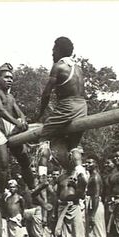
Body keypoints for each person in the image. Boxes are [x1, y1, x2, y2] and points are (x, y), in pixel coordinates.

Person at [36, 37, 87, 176]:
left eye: (53, 49)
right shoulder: (78, 68)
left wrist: (40, 114)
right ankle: (80, 172)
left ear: (59, 50)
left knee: (44, 136)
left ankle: (42, 175)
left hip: (68, 106)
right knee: (73, 145)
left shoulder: (58, 66)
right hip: (82, 107)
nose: (52, 53)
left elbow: (46, 93)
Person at [0, 63, 35, 207]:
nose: (9, 80)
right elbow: (0, 111)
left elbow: (20, 113)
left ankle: (33, 187)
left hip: (10, 125)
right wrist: (17, 123)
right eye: (6, 77)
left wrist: (23, 121)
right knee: (3, 162)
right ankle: (1, 195)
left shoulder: (11, 97)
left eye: (11, 78)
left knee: (24, 158)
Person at [54, 158, 87, 237]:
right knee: (61, 234)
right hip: (62, 207)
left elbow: (83, 195)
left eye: (71, 162)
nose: (69, 164)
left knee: (77, 233)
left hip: (74, 207)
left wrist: (75, 185)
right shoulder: (61, 177)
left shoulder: (80, 176)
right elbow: (57, 194)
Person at [84, 154, 106, 237]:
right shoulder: (90, 176)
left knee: (97, 232)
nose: (87, 165)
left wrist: (93, 214)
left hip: (94, 206)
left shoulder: (96, 177)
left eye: (90, 163)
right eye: (86, 163)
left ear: (95, 164)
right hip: (90, 204)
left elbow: (96, 196)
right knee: (90, 233)